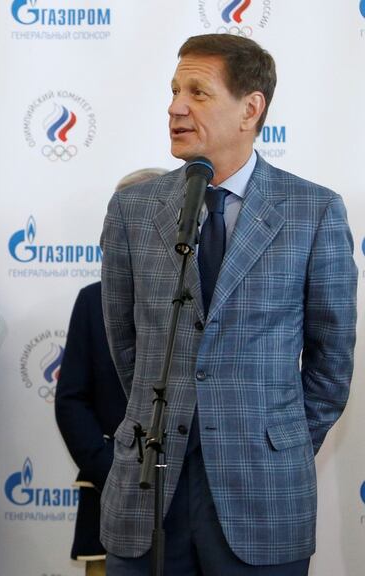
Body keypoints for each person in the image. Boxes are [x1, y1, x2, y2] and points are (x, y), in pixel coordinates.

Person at [100, 34, 356, 575]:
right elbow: (125, 343)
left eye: (198, 92)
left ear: (251, 109)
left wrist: (273, 442)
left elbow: (331, 363)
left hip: (262, 496)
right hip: (149, 490)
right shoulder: (133, 209)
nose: (175, 107)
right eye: (173, 90)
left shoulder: (313, 211)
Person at [54, 168, 165, 576]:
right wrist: (110, 468)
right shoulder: (91, 300)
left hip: (189, 497)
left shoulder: (198, 303)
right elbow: (71, 400)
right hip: (109, 490)